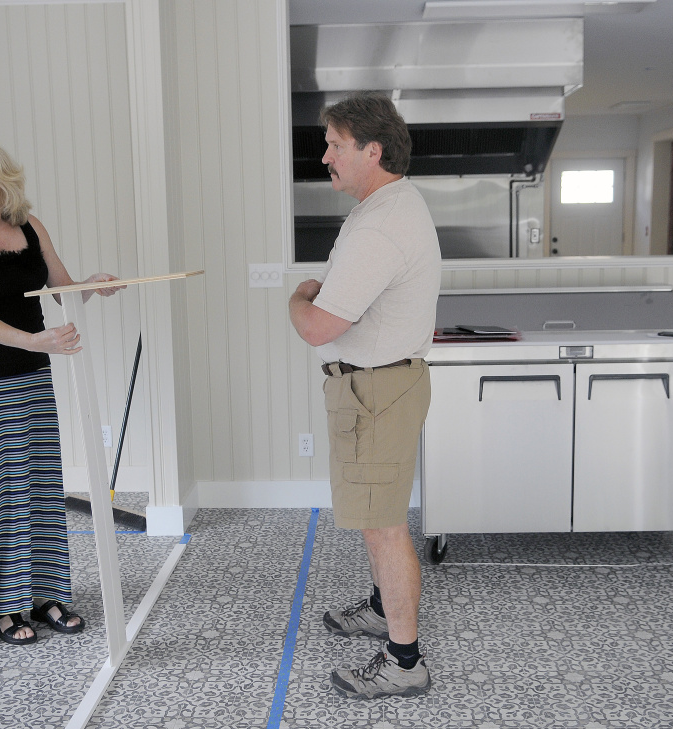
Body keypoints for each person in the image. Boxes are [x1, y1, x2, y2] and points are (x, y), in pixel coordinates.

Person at [0, 135, 121, 645]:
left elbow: (59, 285)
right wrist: (35, 338)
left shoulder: (29, 226)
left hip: (34, 374)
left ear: (0, 171)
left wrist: (91, 285)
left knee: (37, 490)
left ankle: (45, 596)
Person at [288, 92, 442, 699]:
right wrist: (320, 296)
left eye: (334, 144)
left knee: (382, 526)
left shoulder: (381, 223)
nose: (324, 155)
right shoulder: (385, 206)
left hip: (376, 392)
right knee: (378, 516)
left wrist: (297, 298)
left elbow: (318, 325)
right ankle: (382, 611)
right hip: (377, 387)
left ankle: (405, 663)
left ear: (371, 150)